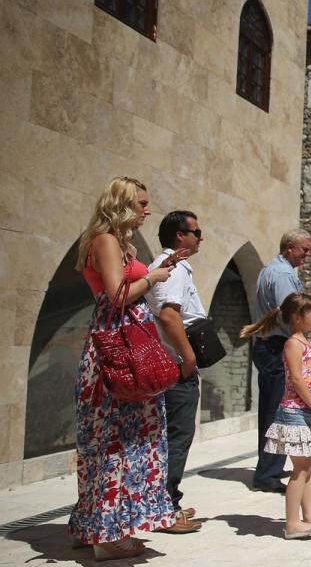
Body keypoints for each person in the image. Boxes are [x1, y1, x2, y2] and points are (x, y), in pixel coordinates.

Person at [69, 176, 178, 560]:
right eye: (141, 203)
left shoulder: (117, 242)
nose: (148, 210)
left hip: (124, 347)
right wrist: (153, 278)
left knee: (119, 439)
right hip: (118, 351)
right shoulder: (106, 240)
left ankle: (98, 526)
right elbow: (115, 296)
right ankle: (107, 534)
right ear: (122, 204)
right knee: (114, 440)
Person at [240, 292, 311, 539]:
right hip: (294, 413)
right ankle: (292, 523)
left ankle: (309, 517)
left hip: (304, 414)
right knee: (299, 469)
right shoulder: (292, 343)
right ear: (296, 317)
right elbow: (297, 379)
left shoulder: (304, 342)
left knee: (307, 466)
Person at [146, 210, 207, 533]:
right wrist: (188, 359)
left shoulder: (170, 266)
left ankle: (166, 501)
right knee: (177, 437)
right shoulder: (174, 269)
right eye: (196, 232)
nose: (200, 238)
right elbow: (170, 317)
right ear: (178, 235)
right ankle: (164, 508)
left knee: (170, 437)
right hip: (175, 365)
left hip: (170, 363)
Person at [251, 229, 311, 493]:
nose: (306, 255)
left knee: (271, 408)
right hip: (277, 347)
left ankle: (269, 467)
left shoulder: (271, 271)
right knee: (277, 411)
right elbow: (291, 314)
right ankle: (267, 473)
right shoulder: (284, 275)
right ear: (289, 248)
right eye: (304, 250)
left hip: (268, 346)